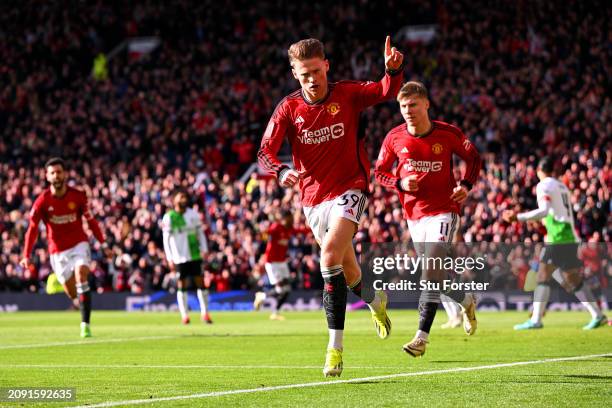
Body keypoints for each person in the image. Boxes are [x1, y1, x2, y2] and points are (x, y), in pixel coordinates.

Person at [258, 36, 404, 377]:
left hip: (351, 189)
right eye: (304, 73)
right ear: (294, 73)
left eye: (316, 70)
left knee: (328, 257)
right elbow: (265, 150)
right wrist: (280, 170)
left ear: (326, 66)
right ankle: (375, 301)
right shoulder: (288, 109)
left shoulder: (348, 94)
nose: (311, 78)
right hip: (312, 200)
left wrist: (393, 69)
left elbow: (384, 90)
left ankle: (334, 349)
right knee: (349, 272)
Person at [374, 81, 482, 357]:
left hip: (444, 210)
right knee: (435, 277)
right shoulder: (394, 138)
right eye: (403, 106)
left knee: (429, 271)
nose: (408, 110)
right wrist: (399, 183)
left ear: (426, 104)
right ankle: (466, 300)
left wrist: (466, 185)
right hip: (415, 215)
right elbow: (380, 173)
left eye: (413, 105)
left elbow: (473, 158)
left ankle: (421, 338)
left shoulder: (447, 133)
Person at [503, 156, 607, 330]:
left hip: (559, 238)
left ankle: (536, 320)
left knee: (543, 274)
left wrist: (518, 217)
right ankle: (597, 315)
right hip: (569, 236)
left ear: (539, 171)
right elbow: (557, 213)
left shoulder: (544, 185)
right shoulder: (562, 186)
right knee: (572, 278)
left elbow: (544, 211)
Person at [20, 157, 106, 338]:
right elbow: (32, 229)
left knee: (81, 273)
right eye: (52, 173)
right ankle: (78, 303)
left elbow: (91, 222)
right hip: (57, 251)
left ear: (65, 174)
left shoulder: (78, 196)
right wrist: (26, 254)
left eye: (59, 172)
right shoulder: (41, 201)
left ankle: (85, 324)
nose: (56, 176)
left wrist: (103, 243)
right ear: (47, 176)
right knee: (71, 290)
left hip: (79, 244)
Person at [161, 189, 212, 325]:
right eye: (181, 197)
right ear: (174, 200)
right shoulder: (169, 217)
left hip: (194, 254)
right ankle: (184, 316)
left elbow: (200, 233)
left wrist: (204, 249)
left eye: (185, 197)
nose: (184, 199)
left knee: (200, 282)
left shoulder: (193, 214)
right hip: (178, 256)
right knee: (181, 284)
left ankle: (205, 313)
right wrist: (169, 258)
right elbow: (166, 240)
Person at [254, 210, 309, 320]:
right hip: (272, 262)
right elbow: (265, 234)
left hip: (282, 262)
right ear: (285, 218)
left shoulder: (289, 229)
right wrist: (261, 230)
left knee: (287, 289)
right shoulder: (276, 227)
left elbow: (301, 230)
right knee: (280, 289)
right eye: (290, 218)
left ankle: (275, 312)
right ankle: (261, 296)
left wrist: (312, 227)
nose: (292, 220)